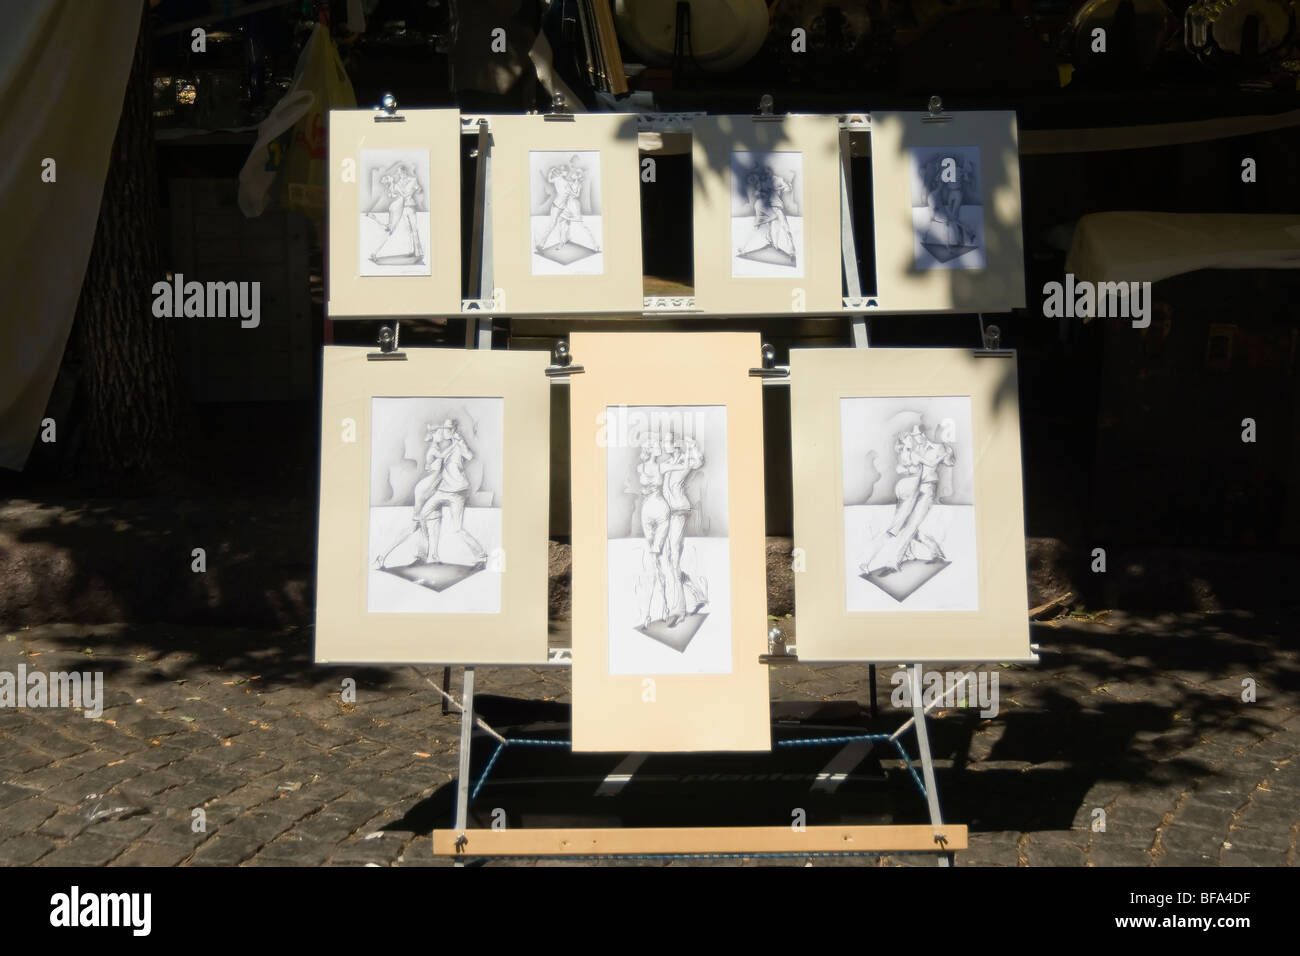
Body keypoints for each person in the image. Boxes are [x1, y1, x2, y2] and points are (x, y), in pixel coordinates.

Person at [376, 419, 488, 570]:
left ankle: (475, 555)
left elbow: (469, 456)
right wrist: (455, 442)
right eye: (441, 430)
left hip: (449, 492)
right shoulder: (436, 450)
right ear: (435, 435)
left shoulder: (454, 446)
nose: (444, 431)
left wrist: (460, 442)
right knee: (417, 522)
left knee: (453, 527)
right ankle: (397, 555)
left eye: (447, 429)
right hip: (430, 491)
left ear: (453, 429)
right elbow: (439, 459)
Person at [536, 156, 600, 254]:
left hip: (567, 207)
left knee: (570, 225)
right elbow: (553, 181)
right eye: (565, 171)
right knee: (556, 224)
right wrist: (552, 172)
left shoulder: (567, 182)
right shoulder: (562, 181)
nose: (568, 173)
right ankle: (545, 244)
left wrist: (577, 181)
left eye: (566, 171)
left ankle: (592, 244)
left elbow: (574, 193)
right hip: (559, 206)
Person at [736, 164, 796, 265]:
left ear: (770, 172)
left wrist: (787, 187)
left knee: (785, 228)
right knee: (758, 228)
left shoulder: (778, 180)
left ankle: (791, 252)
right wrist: (761, 193)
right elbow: (757, 193)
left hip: (776, 208)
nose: (765, 174)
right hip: (764, 209)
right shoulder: (761, 183)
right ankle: (743, 248)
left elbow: (786, 189)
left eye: (767, 172)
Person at [369, 161, 425, 264]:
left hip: (410, 206)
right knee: (408, 230)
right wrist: (391, 187)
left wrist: (416, 190)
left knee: (414, 229)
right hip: (401, 208)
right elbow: (395, 195)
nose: (399, 175)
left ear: (404, 171)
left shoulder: (412, 180)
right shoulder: (398, 183)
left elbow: (417, 190)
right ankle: (413, 251)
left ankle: (418, 252)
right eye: (398, 173)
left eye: (400, 172)